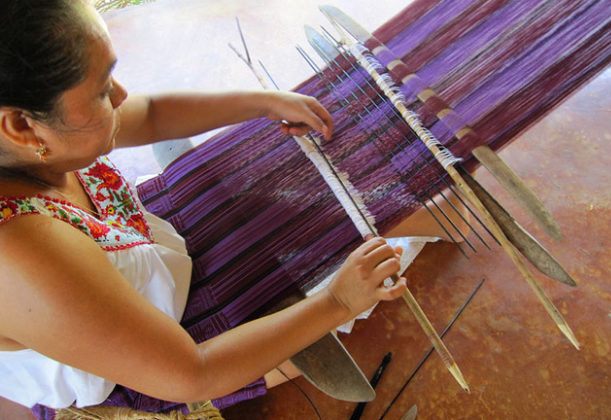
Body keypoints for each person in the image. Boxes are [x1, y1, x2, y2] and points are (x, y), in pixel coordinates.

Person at [0, 0, 412, 417]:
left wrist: (262, 102)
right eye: (104, 90)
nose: (121, 94)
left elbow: (150, 114)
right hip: (151, 361)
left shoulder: (32, 145)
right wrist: (337, 302)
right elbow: (194, 373)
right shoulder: (21, 257)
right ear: (22, 126)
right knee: (355, 287)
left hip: (148, 266)